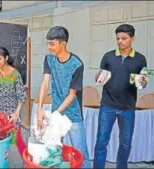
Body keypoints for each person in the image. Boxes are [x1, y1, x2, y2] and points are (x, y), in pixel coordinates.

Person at [93, 24, 148, 169]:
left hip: (128, 108)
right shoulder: (108, 56)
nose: (120, 41)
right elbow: (101, 78)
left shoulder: (141, 59)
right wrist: (98, 76)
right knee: (101, 143)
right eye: (118, 38)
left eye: (124, 38)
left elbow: (142, 84)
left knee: (125, 144)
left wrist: (142, 80)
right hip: (107, 106)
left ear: (132, 38)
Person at [36, 26, 90, 168]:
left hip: (73, 113)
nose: (49, 47)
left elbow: (72, 95)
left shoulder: (77, 64)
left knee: (80, 153)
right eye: (48, 43)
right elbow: (45, 83)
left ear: (63, 44)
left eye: (52, 44)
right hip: (56, 110)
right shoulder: (49, 59)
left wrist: (55, 114)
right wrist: (39, 109)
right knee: (55, 151)